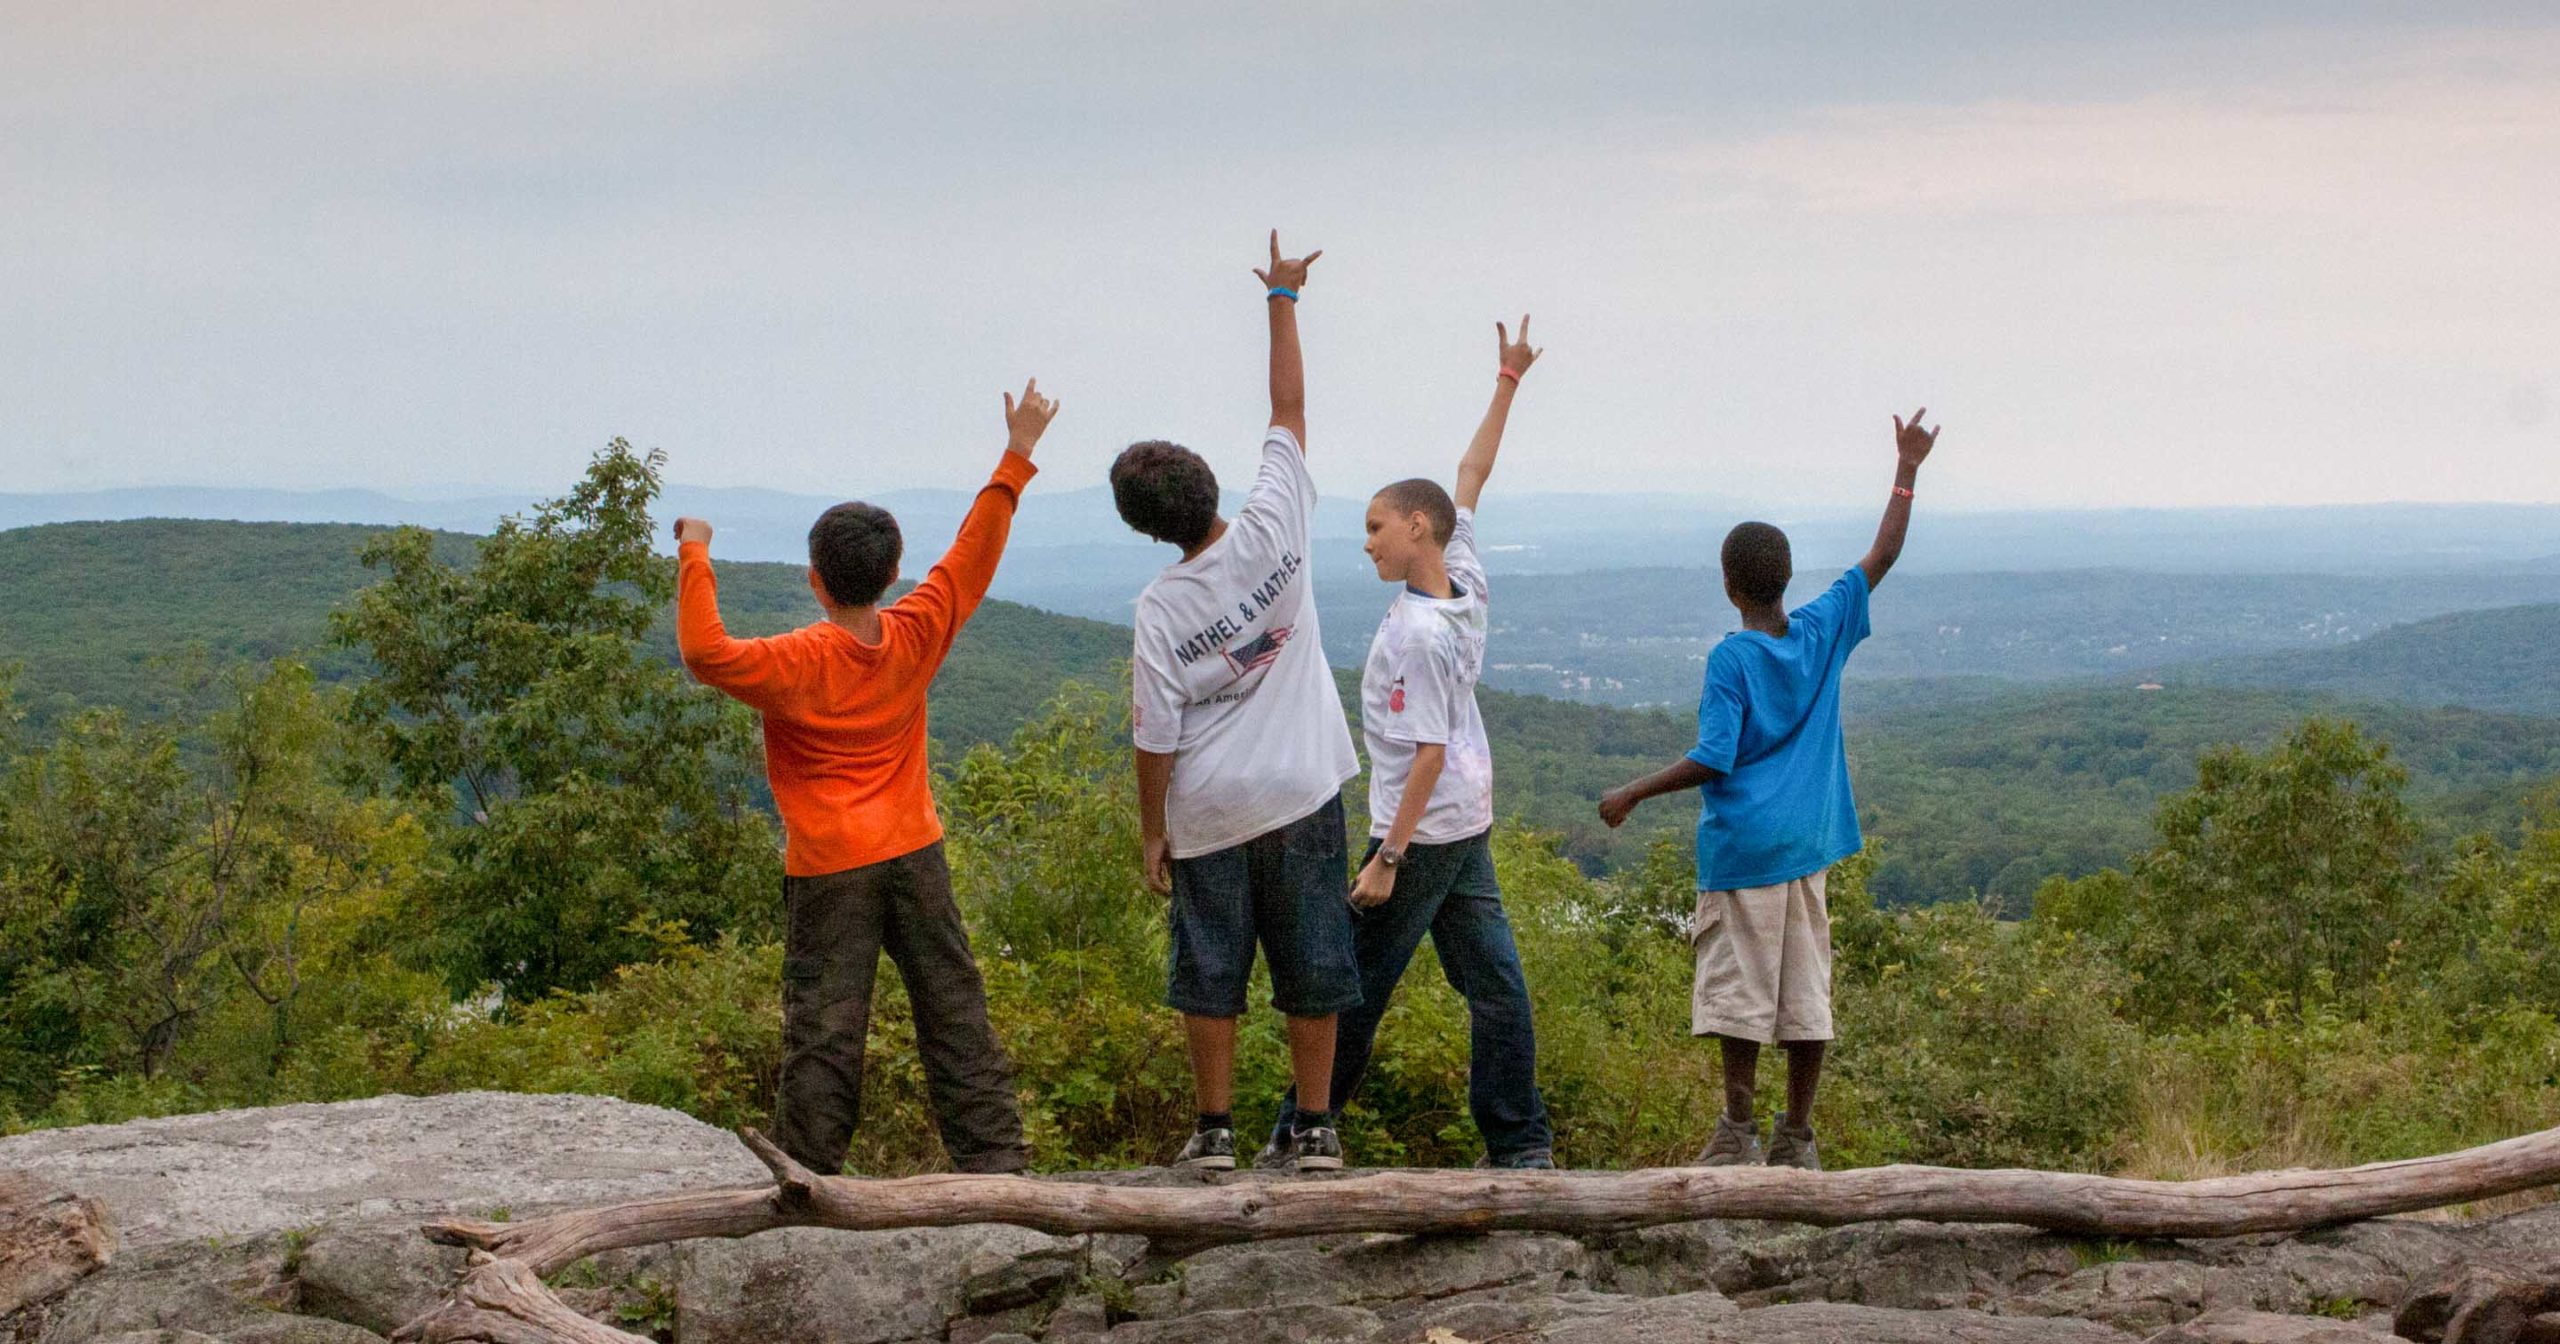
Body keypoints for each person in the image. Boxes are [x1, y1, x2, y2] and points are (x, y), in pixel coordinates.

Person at [671, 378, 1061, 1178]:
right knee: (953, 1008)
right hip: (916, 851)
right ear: (893, 574)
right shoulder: (919, 628)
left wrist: (695, 548)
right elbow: (975, 550)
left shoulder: (794, 662)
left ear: (815, 579)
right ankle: (996, 1167)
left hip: (829, 865)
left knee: (825, 1024)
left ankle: (807, 1177)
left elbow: (705, 652)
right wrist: (1018, 453)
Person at [1596, 408, 1942, 1171]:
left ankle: (1739, 1132)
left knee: (1739, 996)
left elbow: (1714, 759)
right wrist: (1907, 468)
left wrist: (1632, 792)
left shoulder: (1732, 660)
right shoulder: (1821, 631)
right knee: (1805, 991)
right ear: (1786, 578)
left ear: (1728, 586)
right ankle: (1800, 1137)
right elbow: (1881, 555)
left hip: (1747, 851)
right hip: (1808, 847)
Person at [1261, 316, 1556, 1171]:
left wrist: (1386, 858)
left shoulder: (1421, 636)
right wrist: (1508, 378)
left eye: (1378, 526)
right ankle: (1521, 1144)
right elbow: (1472, 473)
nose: (1368, 541)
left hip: (1421, 833)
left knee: (1357, 986)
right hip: (1466, 823)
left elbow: (1424, 754)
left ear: (1417, 528)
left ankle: (1299, 1129)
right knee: (1496, 988)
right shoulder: (1465, 573)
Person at [1112, 233, 1361, 1172]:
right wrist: (1283, 297)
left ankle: (1213, 1133)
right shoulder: (1275, 519)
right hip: (1299, 791)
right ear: (1211, 485)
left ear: (1147, 531)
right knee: (1315, 962)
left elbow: (1155, 734)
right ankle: (1317, 1127)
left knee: (1209, 969)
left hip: (1211, 810)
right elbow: (1288, 406)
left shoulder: (1159, 606)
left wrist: (1150, 832)